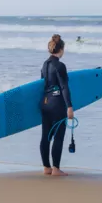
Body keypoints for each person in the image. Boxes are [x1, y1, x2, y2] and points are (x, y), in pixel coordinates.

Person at [40, 34, 74, 176]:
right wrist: (69, 106)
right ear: (61, 49)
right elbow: (64, 87)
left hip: (45, 103)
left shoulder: (45, 64)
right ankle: (56, 168)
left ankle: (46, 167)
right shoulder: (60, 66)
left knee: (45, 136)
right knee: (58, 136)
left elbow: (41, 84)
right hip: (57, 104)